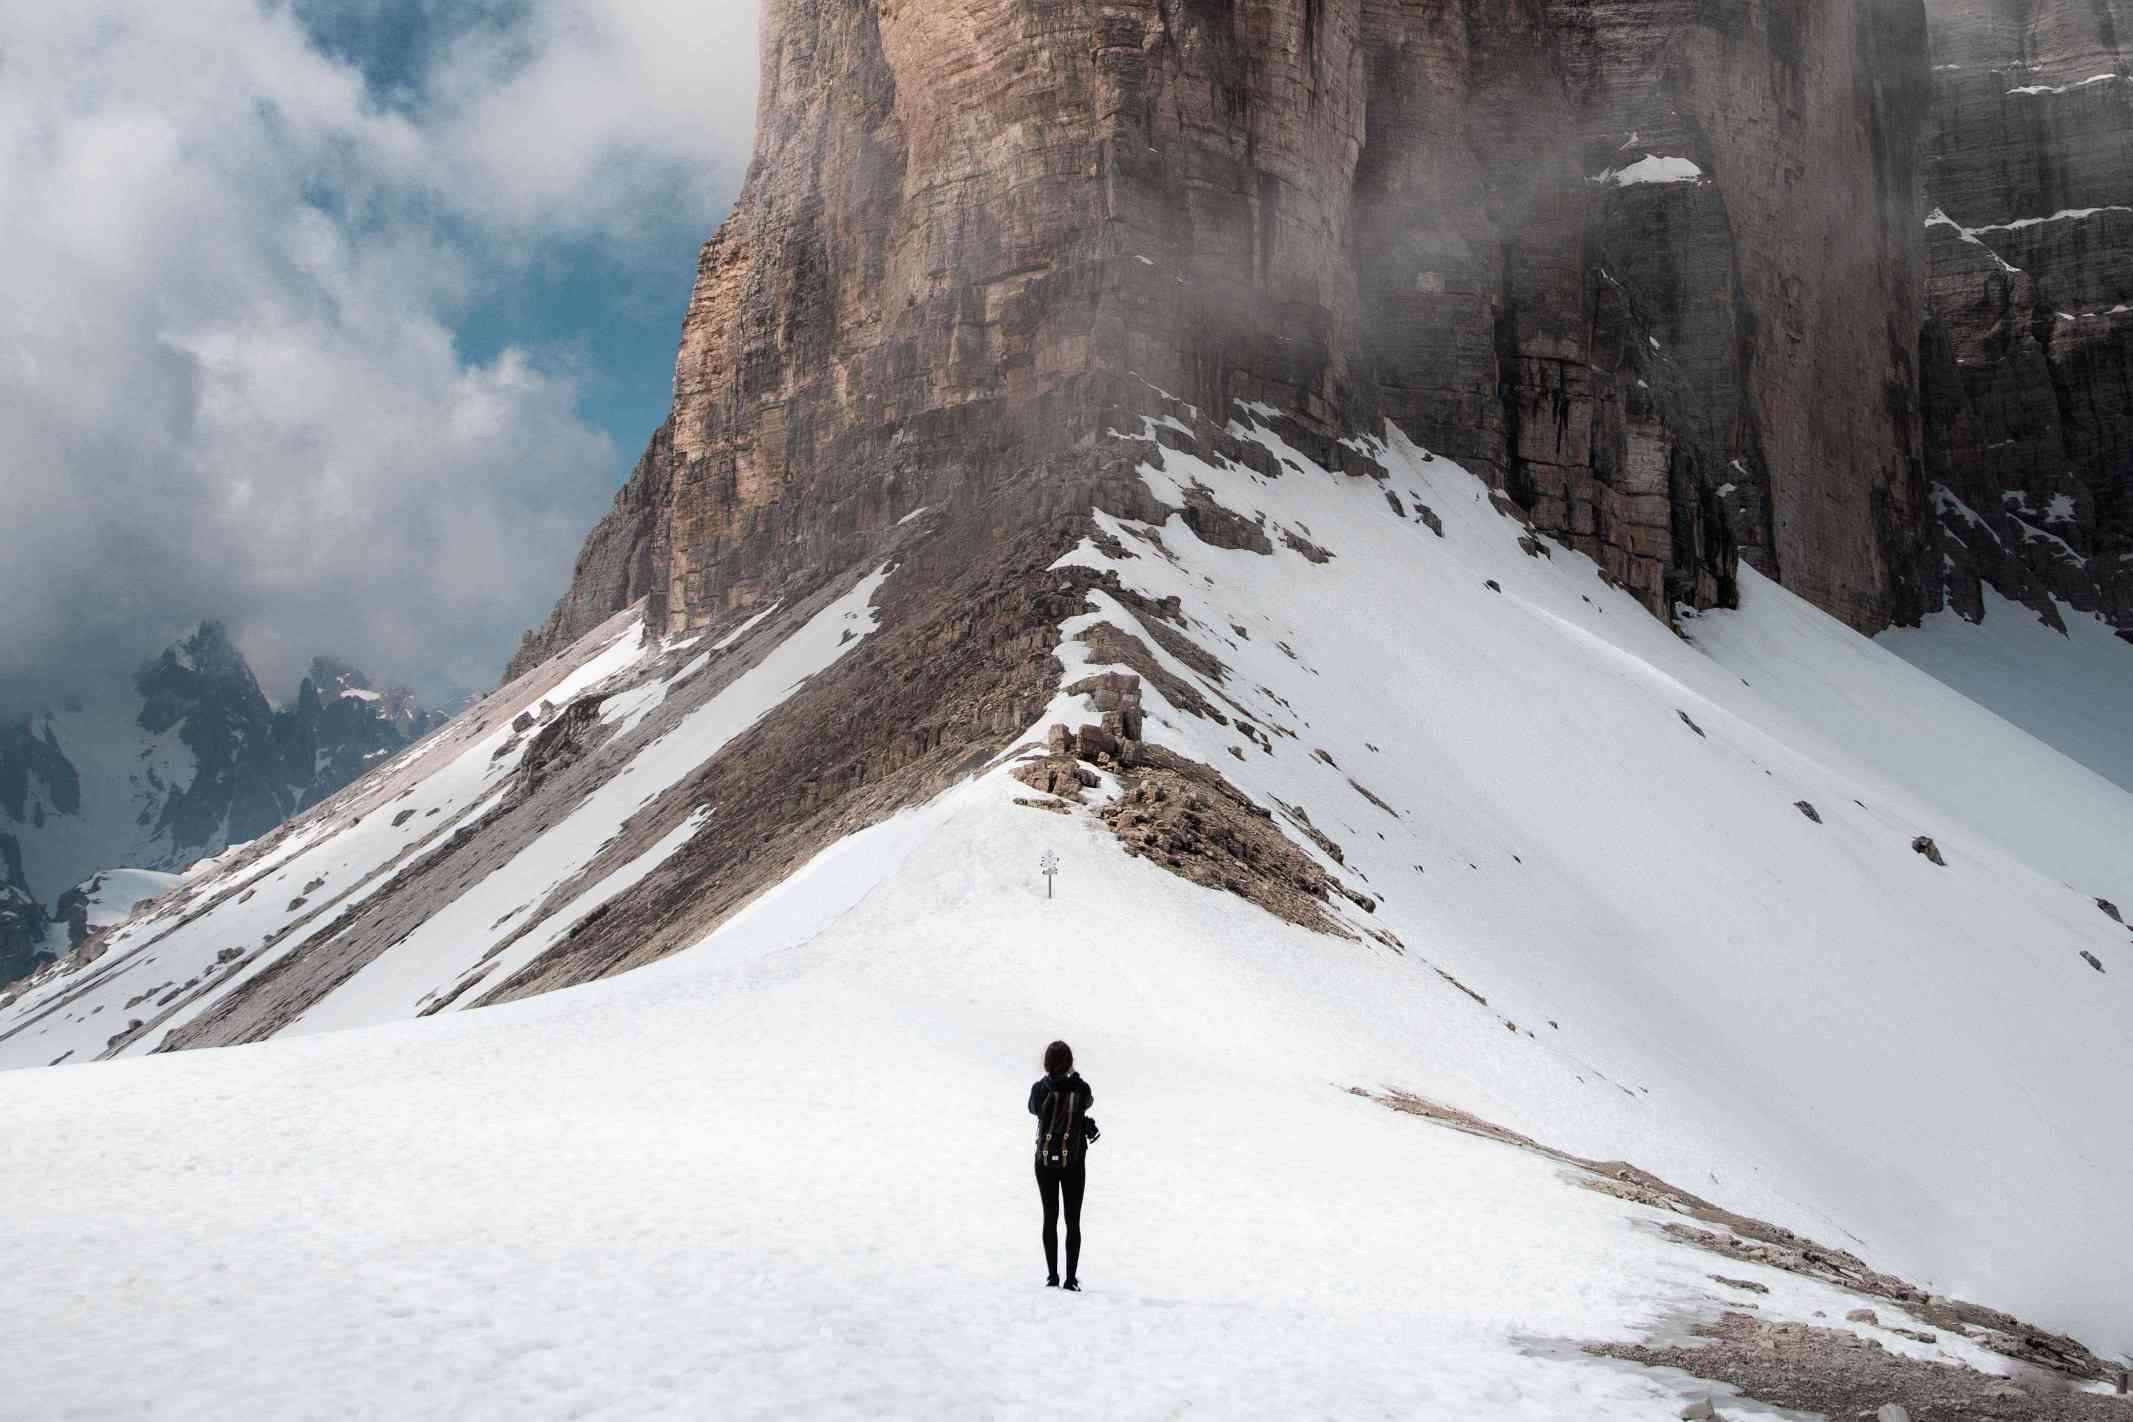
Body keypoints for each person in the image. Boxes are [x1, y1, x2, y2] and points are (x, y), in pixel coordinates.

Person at [1027, 1039, 1093, 1291]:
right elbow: (1089, 1102)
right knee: (1072, 1220)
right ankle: (1071, 1278)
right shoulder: (1080, 1088)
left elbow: (1033, 1109)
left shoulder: (1039, 1089)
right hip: (1074, 1161)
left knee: (1050, 1216)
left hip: (1044, 1162)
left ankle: (1052, 1276)